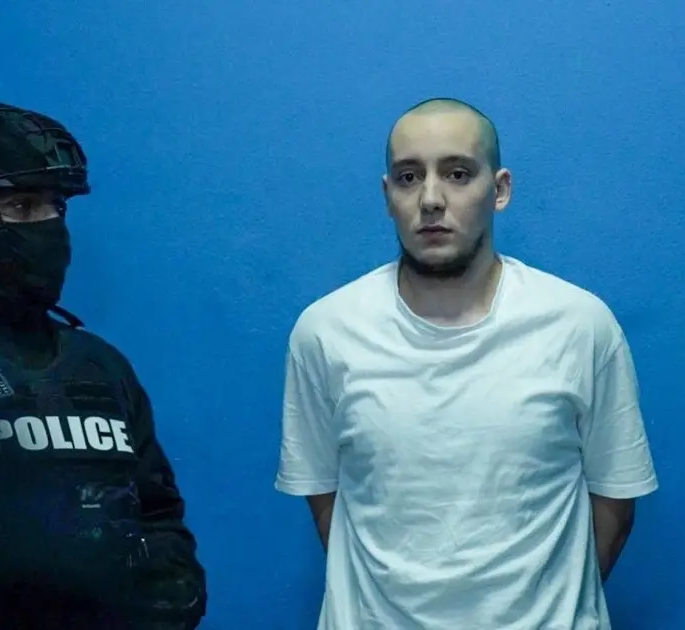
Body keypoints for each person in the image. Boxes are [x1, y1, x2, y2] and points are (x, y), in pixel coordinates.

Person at [274, 97, 658, 629]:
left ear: (499, 190)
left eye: (457, 174)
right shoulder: (326, 332)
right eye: (409, 177)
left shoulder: (579, 326)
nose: (431, 199)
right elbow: (324, 494)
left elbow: (615, 498)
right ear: (388, 197)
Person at [0, 101, 207, 629]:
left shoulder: (99, 365)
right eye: (21, 206)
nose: (47, 226)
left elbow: (158, 513)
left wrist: (171, 589)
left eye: (55, 206)